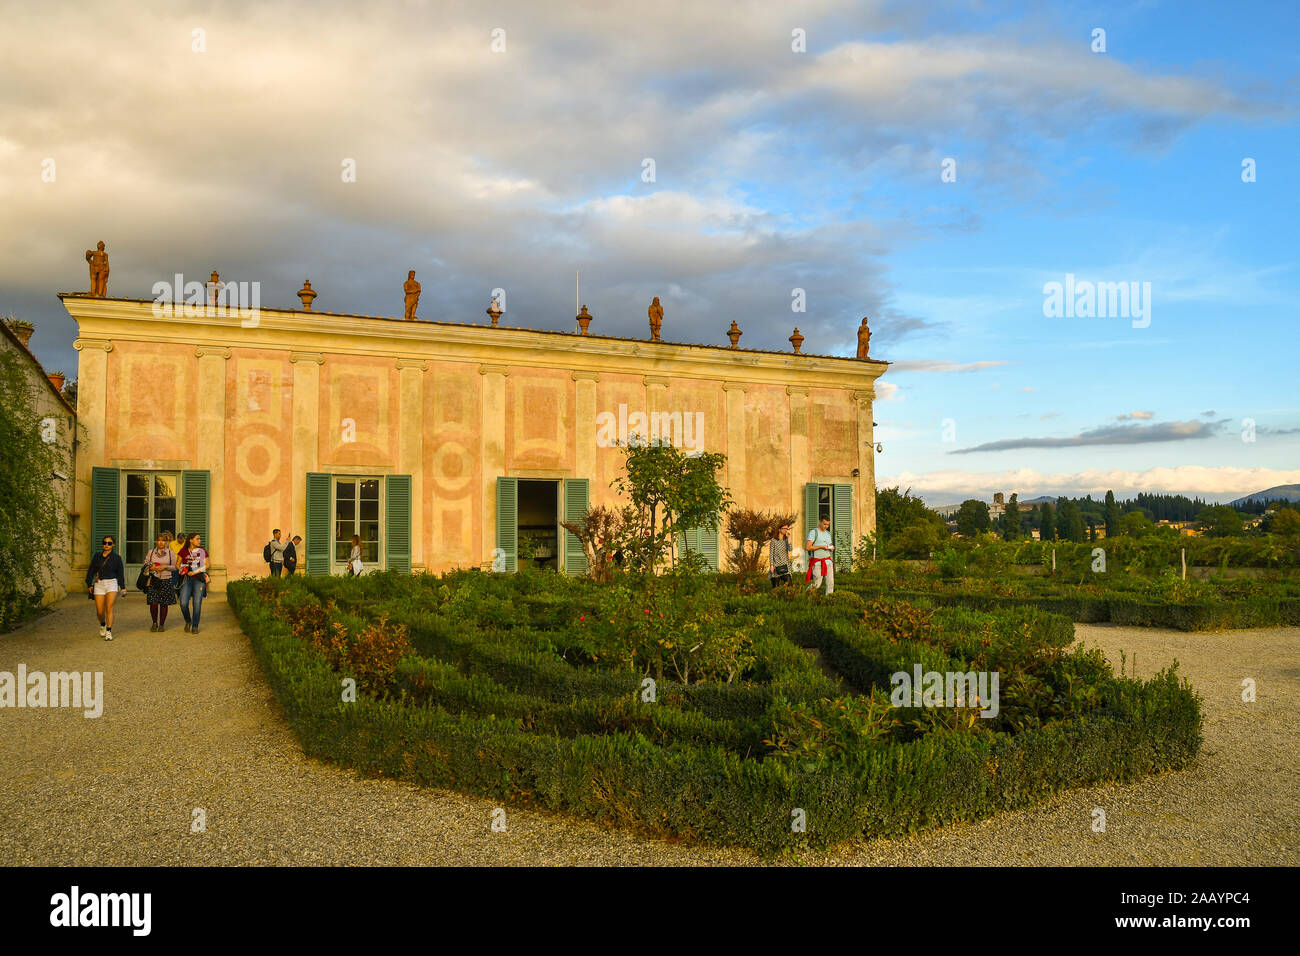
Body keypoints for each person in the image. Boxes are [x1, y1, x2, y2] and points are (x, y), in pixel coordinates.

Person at [85, 535, 125, 641]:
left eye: (109, 543)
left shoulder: (117, 558)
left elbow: (120, 573)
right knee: (99, 611)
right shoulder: (97, 556)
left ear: (113, 545)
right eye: (105, 542)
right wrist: (89, 584)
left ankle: (108, 631)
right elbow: (91, 570)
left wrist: (123, 587)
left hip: (112, 583)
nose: (106, 545)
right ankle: (102, 624)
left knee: (109, 607)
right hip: (99, 584)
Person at [143, 532, 178, 631]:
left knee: (163, 603)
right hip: (153, 579)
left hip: (166, 580)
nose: (161, 542)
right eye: (159, 540)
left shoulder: (170, 553)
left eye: (163, 540)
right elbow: (145, 564)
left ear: (167, 542)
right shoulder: (151, 552)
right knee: (153, 603)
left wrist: (165, 566)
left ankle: (162, 624)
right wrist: (151, 567)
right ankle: (154, 623)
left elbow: (175, 567)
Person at [178, 532, 211, 634]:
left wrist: (195, 572)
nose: (199, 541)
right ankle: (188, 621)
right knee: (183, 603)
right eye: (197, 539)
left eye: (199, 539)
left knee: (197, 603)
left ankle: (195, 626)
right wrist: (183, 570)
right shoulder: (183, 551)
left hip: (199, 579)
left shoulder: (202, 551)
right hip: (186, 579)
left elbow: (208, 565)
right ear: (190, 540)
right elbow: (177, 565)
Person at [805, 516, 835, 595]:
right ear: (820, 522)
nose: (826, 526)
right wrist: (821, 547)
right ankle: (807, 593)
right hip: (817, 562)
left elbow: (830, 544)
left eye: (828, 525)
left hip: (828, 561)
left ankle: (829, 600)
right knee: (817, 584)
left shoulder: (828, 534)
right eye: (825, 524)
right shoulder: (813, 532)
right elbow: (808, 547)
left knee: (830, 583)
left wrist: (831, 547)